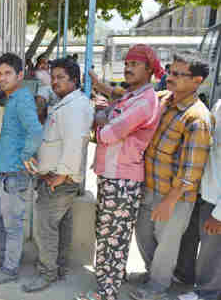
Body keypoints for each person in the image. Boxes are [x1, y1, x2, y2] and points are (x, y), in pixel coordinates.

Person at [78, 44, 162, 300]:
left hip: (122, 179)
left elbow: (108, 133)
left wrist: (101, 122)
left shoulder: (146, 101)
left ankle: (106, 292)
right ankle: (110, 279)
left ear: (149, 70)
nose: (127, 68)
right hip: (113, 175)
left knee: (112, 237)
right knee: (108, 233)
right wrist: (104, 115)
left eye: (134, 64)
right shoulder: (131, 96)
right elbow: (108, 113)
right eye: (126, 63)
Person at [131, 51, 213, 300]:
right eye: (170, 70)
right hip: (150, 186)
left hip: (174, 196)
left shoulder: (197, 118)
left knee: (167, 244)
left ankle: (157, 288)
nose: (170, 77)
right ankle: (153, 274)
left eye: (179, 74)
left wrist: (170, 201)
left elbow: (192, 170)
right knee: (143, 233)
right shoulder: (165, 100)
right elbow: (135, 101)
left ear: (197, 81)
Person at [21, 58, 94, 293]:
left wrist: (61, 176)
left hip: (59, 180)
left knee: (46, 228)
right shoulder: (67, 103)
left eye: (61, 77)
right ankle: (58, 267)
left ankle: (46, 273)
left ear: (75, 80)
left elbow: (74, 144)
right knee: (60, 226)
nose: (55, 82)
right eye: (53, 77)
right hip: (58, 176)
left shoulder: (75, 106)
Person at [0, 53, 43, 285]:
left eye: (8, 74)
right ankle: (8, 256)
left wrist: (26, 155)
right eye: (1, 73)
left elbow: (36, 131)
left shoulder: (23, 99)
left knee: (12, 225)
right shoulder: (13, 96)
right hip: (3, 173)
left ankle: (10, 269)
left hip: (15, 175)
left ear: (20, 76)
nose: (3, 78)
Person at [176, 98, 221, 300]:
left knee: (212, 251)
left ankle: (208, 293)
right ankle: (186, 277)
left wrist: (219, 214)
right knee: (191, 237)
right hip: (204, 189)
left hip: (216, 199)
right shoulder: (219, 104)